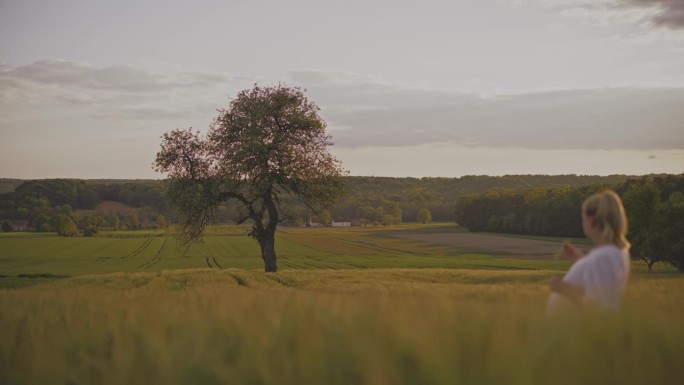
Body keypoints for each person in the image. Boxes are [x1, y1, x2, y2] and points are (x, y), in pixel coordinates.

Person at [546, 190, 631, 316]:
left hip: (578, 332)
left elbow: (601, 308)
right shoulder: (612, 252)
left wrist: (562, 288)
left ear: (591, 220)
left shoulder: (605, 256)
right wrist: (582, 261)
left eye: (583, 218)